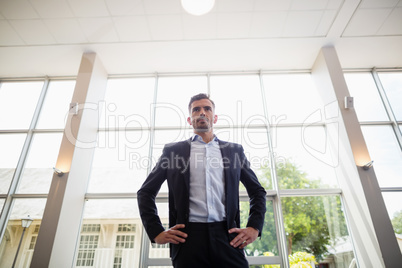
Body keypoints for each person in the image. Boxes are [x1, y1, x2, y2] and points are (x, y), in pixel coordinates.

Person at [137, 93, 266, 267]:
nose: (202, 112)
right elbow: (145, 192)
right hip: (187, 240)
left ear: (215, 117)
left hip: (227, 237)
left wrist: (254, 227)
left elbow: (257, 191)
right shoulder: (173, 151)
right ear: (190, 120)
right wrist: (156, 231)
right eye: (196, 109)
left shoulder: (234, 151)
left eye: (207, 109)